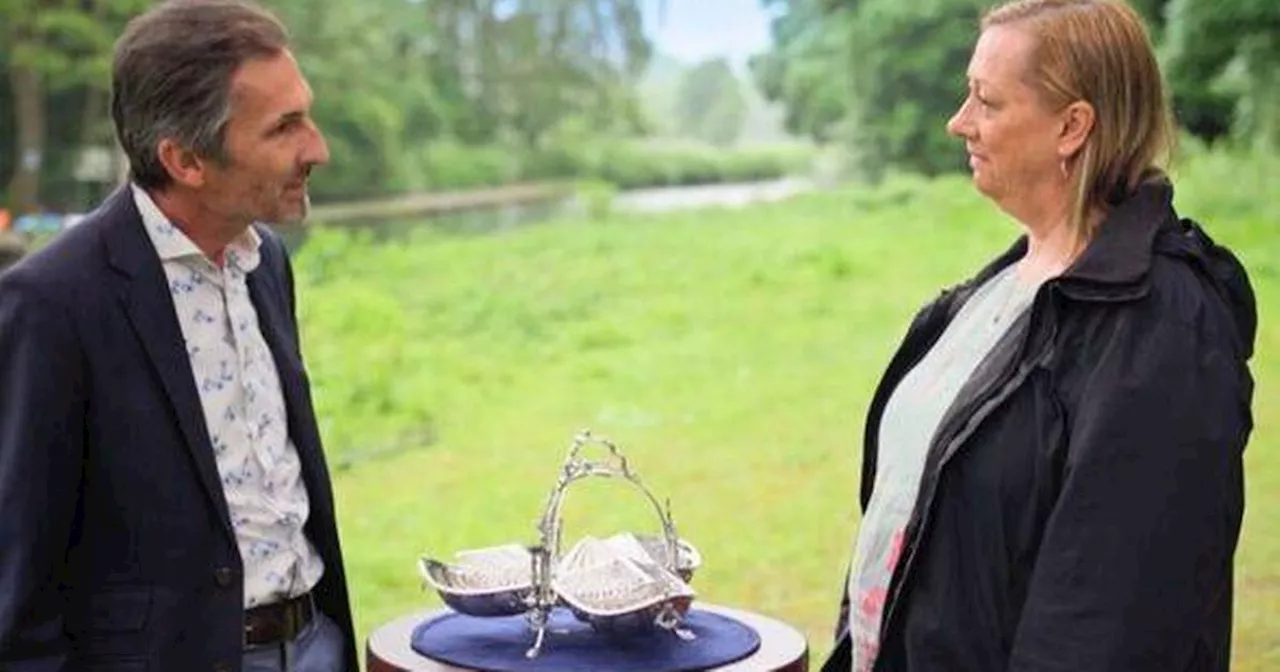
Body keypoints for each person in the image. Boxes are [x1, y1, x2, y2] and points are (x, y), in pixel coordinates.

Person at [820, 1, 1256, 671]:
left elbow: (1109, 626)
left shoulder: (1164, 331)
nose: (958, 122)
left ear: (1072, 127)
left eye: (986, 102)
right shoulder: (1004, 290)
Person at [0, 1, 356, 670]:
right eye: (285, 127)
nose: (318, 148)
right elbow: (20, 586)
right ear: (186, 159)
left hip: (317, 647)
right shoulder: (49, 304)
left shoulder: (266, 262)